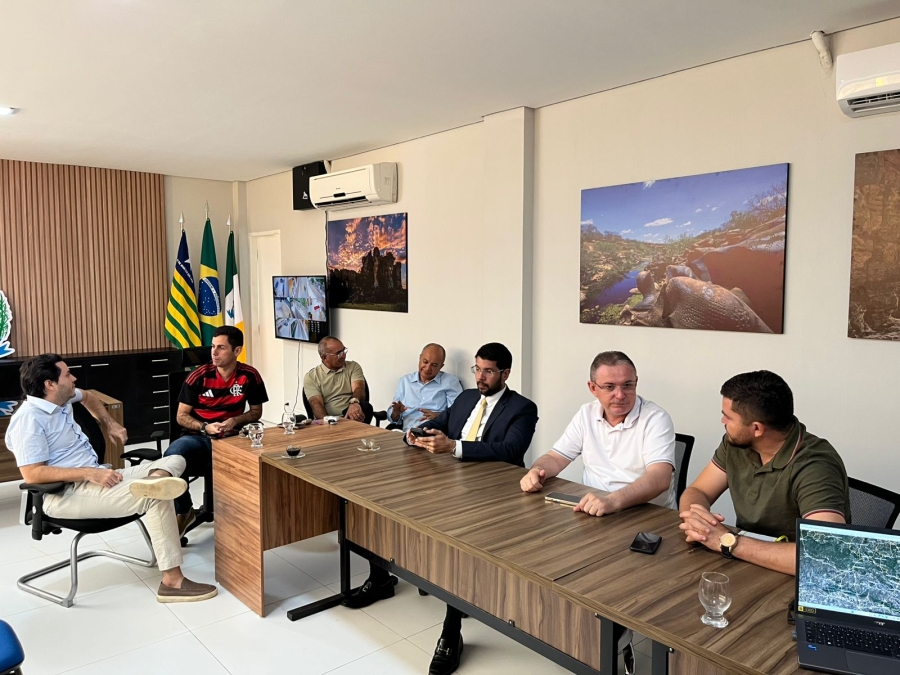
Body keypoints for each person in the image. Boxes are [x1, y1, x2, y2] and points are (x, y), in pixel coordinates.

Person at [5, 354, 217, 602]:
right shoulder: (29, 419)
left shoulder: (60, 398)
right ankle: (172, 582)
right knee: (155, 498)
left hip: (96, 477)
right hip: (64, 494)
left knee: (176, 459)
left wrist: (110, 423)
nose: (74, 378)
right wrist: (89, 472)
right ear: (49, 384)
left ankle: (153, 482)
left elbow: (88, 396)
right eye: (67, 375)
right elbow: (33, 474)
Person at [413, 342, 538, 675]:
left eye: (488, 371)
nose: (480, 377)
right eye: (477, 369)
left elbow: (511, 450)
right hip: (450, 485)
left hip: (494, 494)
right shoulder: (466, 398)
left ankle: (450, 632)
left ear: (505, 374)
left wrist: (454, 447)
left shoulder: (522, 408)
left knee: (457, 548)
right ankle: (385, 576)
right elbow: (439, 423)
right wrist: (415, 435)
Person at [678, 370, 850, 575]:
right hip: (746, 564)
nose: (723, 421)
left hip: (792, 579)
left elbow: (824, 556)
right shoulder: (737, 443)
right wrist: (698, 524)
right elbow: (698, 491)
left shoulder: (815, 466)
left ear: (757, 429)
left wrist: (728, 541)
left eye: (728, 417)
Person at [520, 351, 676, 514]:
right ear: (593, 388)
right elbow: (556, 458)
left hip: (647, 514)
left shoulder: (655, 418)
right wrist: (537, 470)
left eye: (627, 385)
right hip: (595, 509)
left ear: (636, 383)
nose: (620, 395)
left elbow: (660, 478)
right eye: (610, 387)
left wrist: (612, 501)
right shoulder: (586, 413)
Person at [164, 325, 268, 533]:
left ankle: (246, 517)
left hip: (233, 437)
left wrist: (235, 420)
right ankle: (184, 510)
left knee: (262, 461)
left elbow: (256, 412)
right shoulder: (198, 376)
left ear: (237, 351)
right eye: (213, 346)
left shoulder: (249, 375)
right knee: (171, 457)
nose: (214, 352)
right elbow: (181, 416)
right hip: (199, 436)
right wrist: (205, 427)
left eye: (221, 347)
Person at [388, 343, 463, 432]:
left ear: (441, 366)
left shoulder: (450, 382)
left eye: (434, 365)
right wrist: (396, 413)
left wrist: (438, 416)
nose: (427, 368)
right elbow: (393, 418)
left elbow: (457, 414)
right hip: (407, 432)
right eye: (425, 362)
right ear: (420, 358)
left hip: (433, 433)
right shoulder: (405, 381)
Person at [303, 336, 373, 423]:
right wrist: (329, 423)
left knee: (366, 407)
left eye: (344, 350)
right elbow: (316, 404)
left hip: (353, 414)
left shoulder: (353, 367)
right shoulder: (311, 377)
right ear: (324, 357)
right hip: (331, 419)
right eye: (339, 353)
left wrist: (354, 403)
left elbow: (359, 389)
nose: (343, 355)